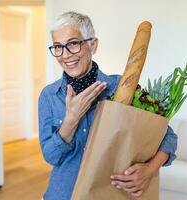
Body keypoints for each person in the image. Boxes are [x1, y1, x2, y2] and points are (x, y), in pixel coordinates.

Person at [38, 11, 178, 200]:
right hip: (63, 194)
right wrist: (71, 120)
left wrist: (150, 170)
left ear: (92, 44)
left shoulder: (121, 87)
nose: (65, 55)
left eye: (73, 44)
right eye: (58, 47)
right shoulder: (49, 96)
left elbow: (167, 136)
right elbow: (51, 156)